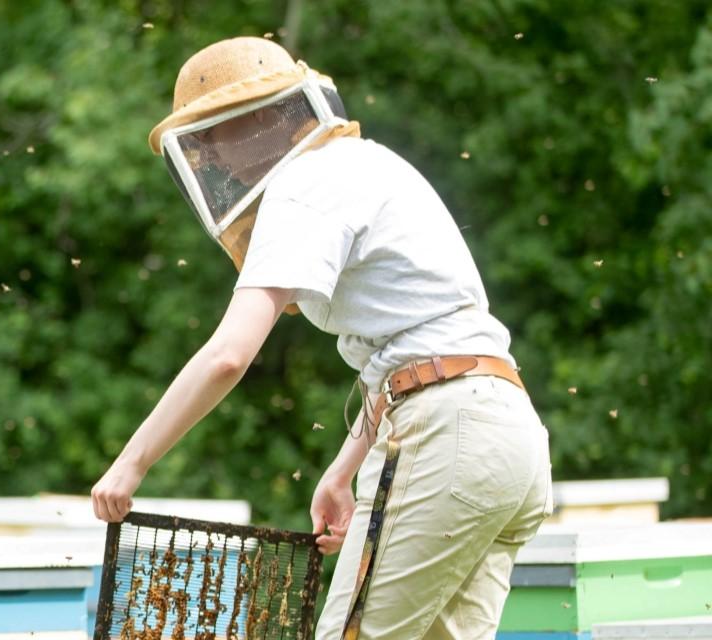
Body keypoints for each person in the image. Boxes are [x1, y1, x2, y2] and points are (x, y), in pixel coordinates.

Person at [88, 37, 552, 638]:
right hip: (507, 434)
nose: (213, 157)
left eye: (214, 135)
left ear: (258, 119)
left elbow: (229, 355)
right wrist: (343, 470)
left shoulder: (301, 183)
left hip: (449, 433)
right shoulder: (368, 164)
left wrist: (132, 462)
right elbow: (416, 346)